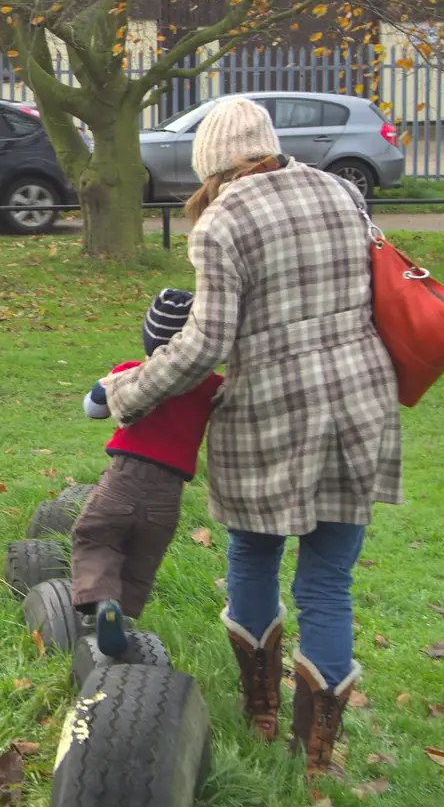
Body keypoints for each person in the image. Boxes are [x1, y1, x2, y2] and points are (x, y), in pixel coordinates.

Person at [97, 97, 400, 782]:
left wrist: (126, 392)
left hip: (270, 413)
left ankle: (261, 709)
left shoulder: (223, 218)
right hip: (360, 405)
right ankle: (314, 758)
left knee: (255, 557)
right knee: (328, 582)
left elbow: (206, 344)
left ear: (210, 164)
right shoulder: (343, 191)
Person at [75, 289, 222, 657]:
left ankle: (102, 603)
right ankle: (122, 618)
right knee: (142, 558)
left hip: (124, 478)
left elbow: (93, 409)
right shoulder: (211, 386)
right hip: (169, 495)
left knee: (96, 536)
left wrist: (105, 384)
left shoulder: (130, 373)